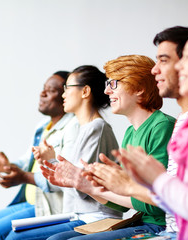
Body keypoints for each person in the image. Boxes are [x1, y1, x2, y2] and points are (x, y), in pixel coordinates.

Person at [118, 27, 188, 240]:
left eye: (187, 57)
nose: (179, 66)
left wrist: (154, 180)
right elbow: (181, 197)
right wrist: (145, 182)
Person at [44, 55, 176, 240]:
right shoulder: (131, 132)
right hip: (140, 221)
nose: (106, 91)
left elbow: (157, 201)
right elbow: (123, 204)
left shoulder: (162, 126)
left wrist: (92, 187)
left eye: (113, 84)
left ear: (139, 88)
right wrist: (88, 185)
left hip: (159, 226)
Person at [4, 65, 121, 240]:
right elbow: (72, 181)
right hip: (77, 215)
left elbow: (80, 187)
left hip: (93, 218)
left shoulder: (97, 128)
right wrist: (48, 161)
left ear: (85, 91)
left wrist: (52, 161)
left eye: (67, 88)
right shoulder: (85, 128)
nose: (63, 95)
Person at [0, 71, 79, 240]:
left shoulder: (74, 127)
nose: (42, 93)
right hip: (32, 201)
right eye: (43, 88)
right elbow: (27, 161)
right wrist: (8, 167)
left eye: (51, 90)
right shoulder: (43, 126)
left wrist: (24, 177)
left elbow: (66, 178)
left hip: (51, 206)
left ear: (66, 95)